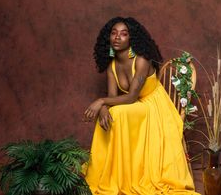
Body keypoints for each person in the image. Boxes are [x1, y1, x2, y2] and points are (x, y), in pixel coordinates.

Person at [84, 17, 200, 195]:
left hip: (155, 106)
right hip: (136, 106)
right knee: (110, 114)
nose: (117, 37)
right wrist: (103, 108)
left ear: (132, 39)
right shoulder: (112, 66)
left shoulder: (142, 60)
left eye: (124, 34)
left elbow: (131, 97)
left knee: (119, 114)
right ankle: (108, 175)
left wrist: (100, 102)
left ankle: (123, 176)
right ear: (108, 37)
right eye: (113, 33)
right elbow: (112, 97)